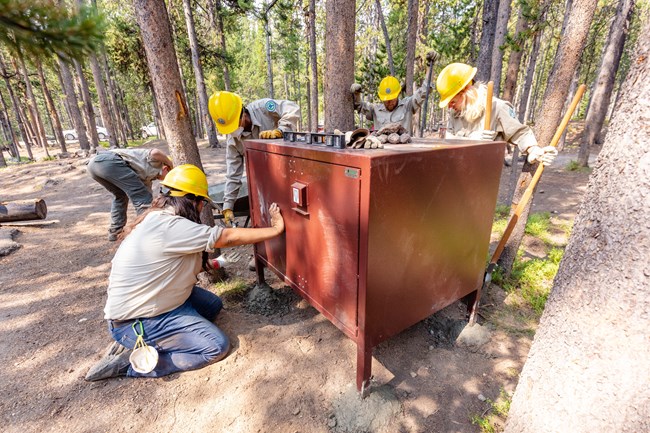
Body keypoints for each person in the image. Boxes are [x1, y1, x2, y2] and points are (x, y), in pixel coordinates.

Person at [84, 164, 285, 381]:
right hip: (139, 319)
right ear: (193, 201)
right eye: (201, 203)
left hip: (150, 306)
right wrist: (275, 230)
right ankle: (130, 364)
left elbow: (175, 268)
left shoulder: (158, 218)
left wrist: (218, 263)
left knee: (212, 305)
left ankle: (157, 337)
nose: (201, 209)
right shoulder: (172, 227)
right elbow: (225, 237)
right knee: (215, 346)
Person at [436, 62, 558, 166]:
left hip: (482, 180)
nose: (449, 106)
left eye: (452, 101)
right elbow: (448, 141)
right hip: (455, 176)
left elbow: (519, 133)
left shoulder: (497, 108)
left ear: (466, 91)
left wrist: (533, 150)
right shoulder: (455, 113)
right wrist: (472, 141)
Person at [208, 91, 300, 227]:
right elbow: (233, 175)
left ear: (242, 113)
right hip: (265, 183)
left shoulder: (263, 108)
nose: (233, 131)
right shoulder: (233, 141)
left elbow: (292, 107)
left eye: (234, 125)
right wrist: (228, 206)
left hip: (289, 172)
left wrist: (281, 130)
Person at [87, 148, 174, 241]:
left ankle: (115, 231)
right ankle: (148, 231)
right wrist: (172, 165)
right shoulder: (157, 162)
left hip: (93, 166)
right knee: (142, 197)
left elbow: (146, 196)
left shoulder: (147, 178)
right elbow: (156, 151)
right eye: (170, 175)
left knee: (120, 196)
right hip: (108, 161)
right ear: (166, 168)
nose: (164, 180)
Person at [350, 52, 436, 133]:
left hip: (403, 148)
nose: (389, 102)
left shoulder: (408, 105)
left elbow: (426, 89)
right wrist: (356, 93)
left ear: (398, 95)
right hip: (381, 148)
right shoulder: (375, 110)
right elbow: (359, 106)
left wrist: (429, 66)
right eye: (386, 100)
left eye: (392, 99)